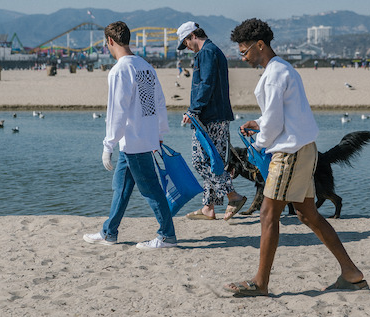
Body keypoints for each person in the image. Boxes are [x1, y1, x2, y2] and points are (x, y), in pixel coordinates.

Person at [224, 18, 367, 297]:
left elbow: (275, 123)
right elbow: (282, 115)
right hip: (304, 148)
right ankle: (351, 273)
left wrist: (260, 145)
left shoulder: (275, 74)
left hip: (289, 153)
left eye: (244, 51)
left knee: (267, 214)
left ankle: (260, 284)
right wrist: (260, 122)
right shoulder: (283, 69)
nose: (243, 57)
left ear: (260, 45)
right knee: (308, 214)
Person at [83, 21, 177, 250]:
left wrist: (108, 145)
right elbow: (159, 102)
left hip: (133, 139)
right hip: (141, 138)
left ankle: (167, 235)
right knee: (122, 187)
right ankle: (109, 232)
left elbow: (117, 109)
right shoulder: (145, 65)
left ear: (110, 42)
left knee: (151, 189)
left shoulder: (120, 70)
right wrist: (160, 132)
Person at [176, 21, 247, 221]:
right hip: (218, 114)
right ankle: (208, 207)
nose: (187, 48)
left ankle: (233, 195)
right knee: (212, 161)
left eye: (186, 43)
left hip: (210, 116)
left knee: (200, 162)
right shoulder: (213, 50)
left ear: (192, 36)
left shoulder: (206, 53)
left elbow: (206, 84)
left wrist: (193, 110)